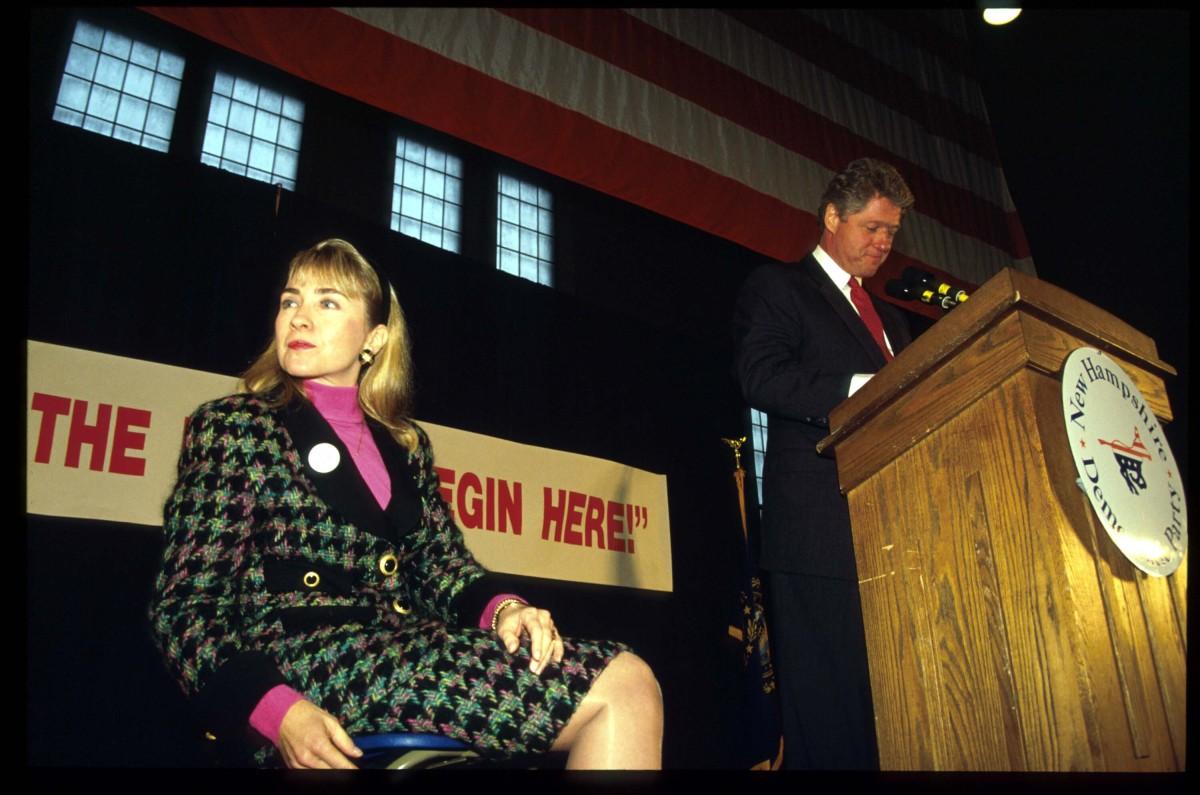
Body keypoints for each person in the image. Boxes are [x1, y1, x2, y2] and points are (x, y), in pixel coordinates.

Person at [149, 238, 662, 769]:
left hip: (404, 650)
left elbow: (441, 567)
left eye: (327, 302)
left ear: (373, 339)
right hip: (305, 669)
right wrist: (279, 712)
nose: (300, 318)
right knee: (622, 685)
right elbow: (186, 609)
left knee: (628, 679)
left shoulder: (405, 444)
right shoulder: (235, 426)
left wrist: (508, 609)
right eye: (289, 300)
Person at [731, 158, 915, 770]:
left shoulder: (892, 320)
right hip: (819, 535)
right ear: (832, 217)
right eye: (871, 228)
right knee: (831, 718)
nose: (884, 243)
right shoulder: (779, 287)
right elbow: (761, 377)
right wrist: (866, 387)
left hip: (894, 533)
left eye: (892, 232)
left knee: (891, 712)